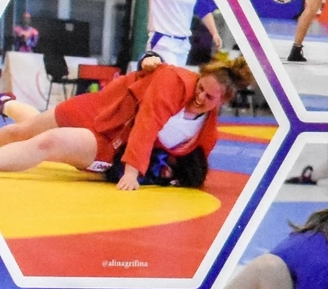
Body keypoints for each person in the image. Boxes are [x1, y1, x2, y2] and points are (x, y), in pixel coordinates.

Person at [0, 54, 244, 188]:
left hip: (112, 142)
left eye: (209, 97)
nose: (200, 97)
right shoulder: (176, 82)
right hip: (100, 107)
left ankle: (6, 104)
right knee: (24, 131)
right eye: (200, 88)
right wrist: (131, 172)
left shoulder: (206, 132)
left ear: (222, 102)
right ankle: (6, 104)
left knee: (48, 142)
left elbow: (194, 167)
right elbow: (147, 123)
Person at [128, 0, 208, 65]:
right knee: (168, 72)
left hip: (183, 43)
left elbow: (204, 9)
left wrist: (215, 33)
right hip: (163, 41)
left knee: (176, 74)